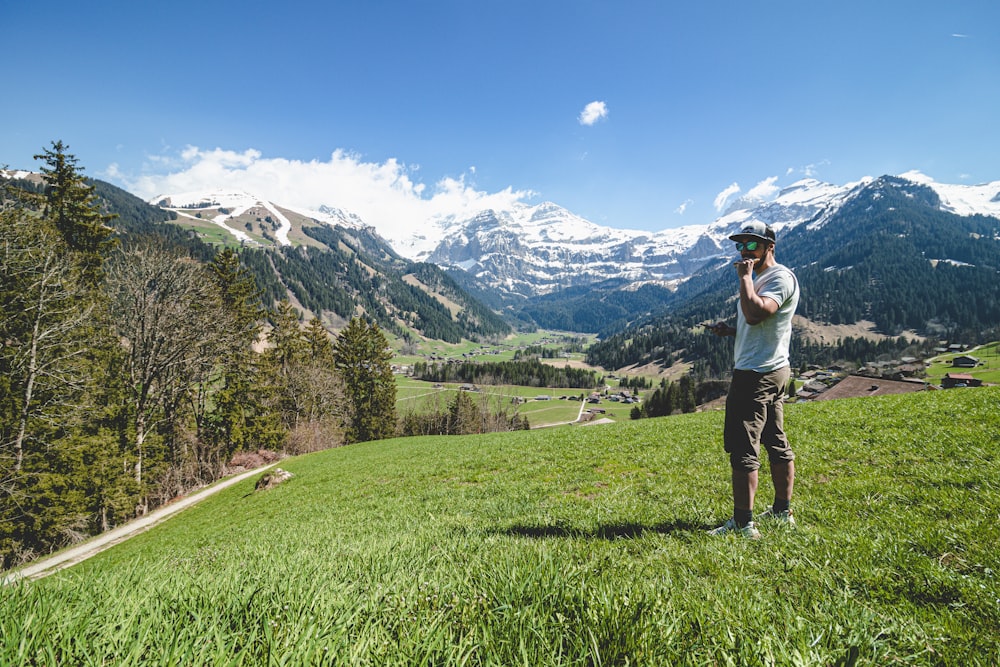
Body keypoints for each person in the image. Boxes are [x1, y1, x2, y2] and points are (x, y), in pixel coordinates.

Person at [706, 221, 799, 538]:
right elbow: (757, 324)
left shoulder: (778, 278)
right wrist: (731, 331)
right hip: (770, 369)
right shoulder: (764, 278)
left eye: (751, 245)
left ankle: (744, 524)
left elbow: (757, 313)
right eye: (740, 245)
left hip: (756, 374)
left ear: (769, 246)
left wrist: (745, 278)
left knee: (744, 446)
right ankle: (781, 513)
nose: (744, 251)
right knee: (776, 441)